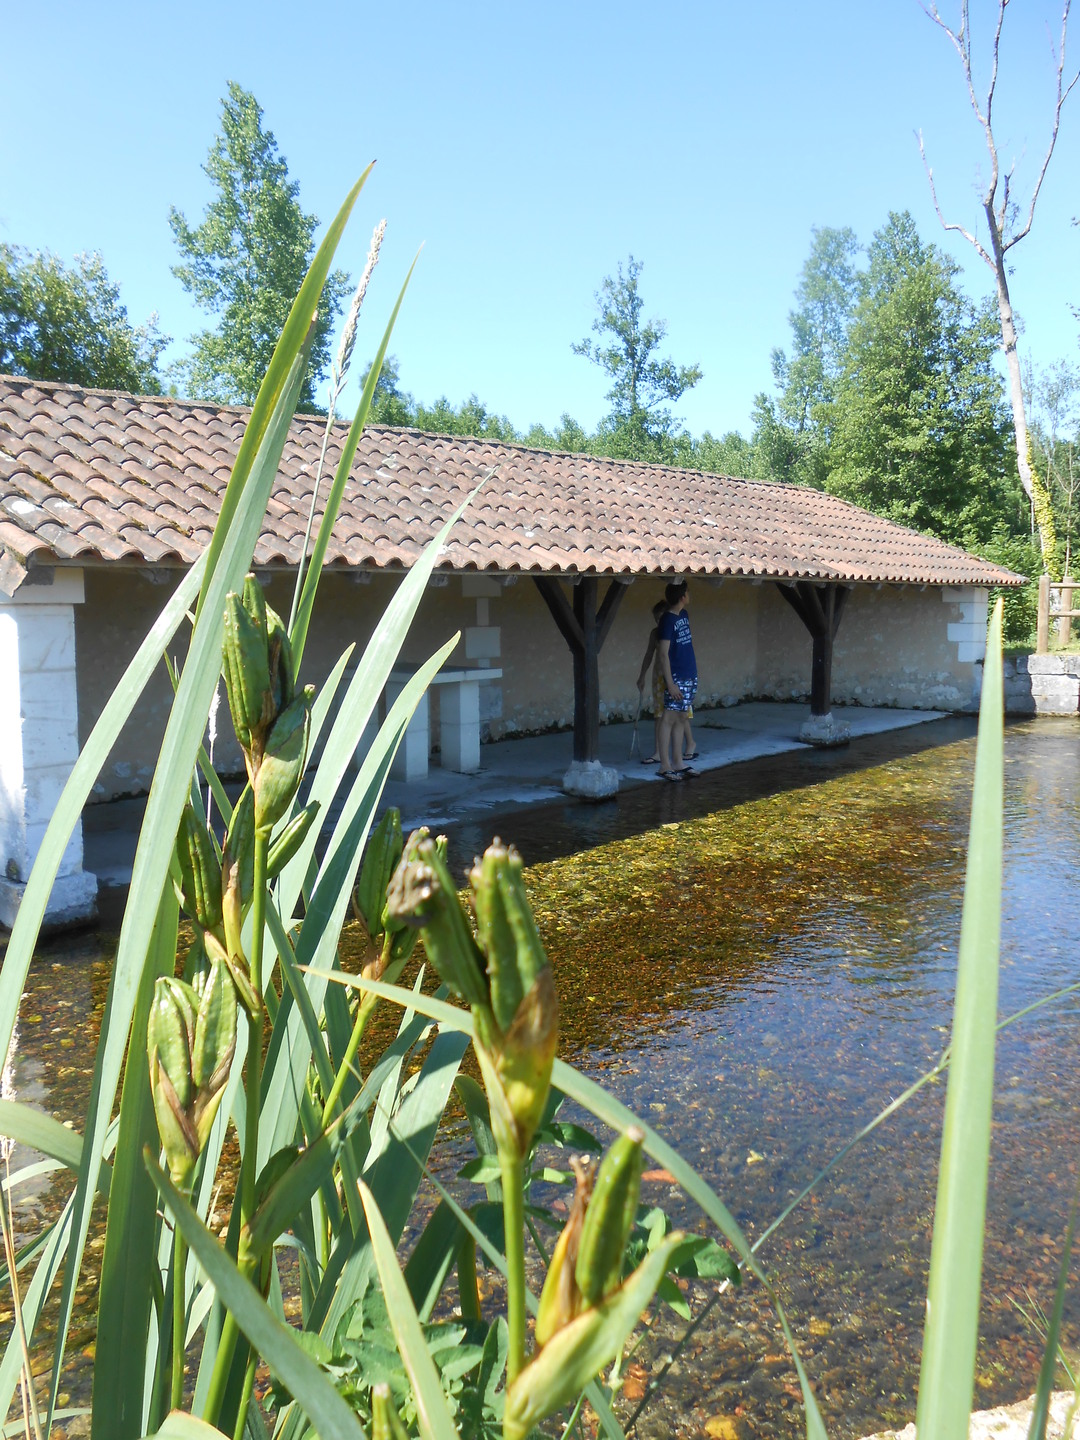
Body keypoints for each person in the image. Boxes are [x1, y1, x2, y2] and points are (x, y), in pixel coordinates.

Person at [657, 579, 697, 780]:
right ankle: (665, 765)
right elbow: (663, 654)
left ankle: (678, 761)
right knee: (668, 719)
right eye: (687, 592)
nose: (689, 595)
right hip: (677, 677)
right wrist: (670, 683)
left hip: (689, 675)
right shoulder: (666, 620)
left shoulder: (684, 615)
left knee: (682, 717)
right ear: (682, 597)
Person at [636, 601, 668, 764]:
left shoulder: (675, 632)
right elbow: (649, 654)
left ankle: (679, 752)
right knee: (659, 715)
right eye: (656, 619)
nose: (658, 622)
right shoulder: (655, 633)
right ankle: (658, 752)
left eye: (661, 618)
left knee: (678, 716)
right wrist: (642, 676)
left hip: (675, 678)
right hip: (659, 678)